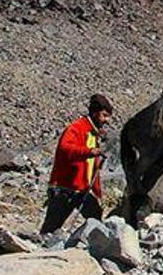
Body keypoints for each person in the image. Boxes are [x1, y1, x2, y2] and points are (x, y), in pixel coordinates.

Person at [40, 94, 113, 234]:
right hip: (65, 188)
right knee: (50, 228)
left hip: (82, 189)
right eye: (104, 115)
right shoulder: (77, 128)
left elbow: (92, 166)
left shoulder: (94, 133)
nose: (106, 120)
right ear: (94, 113)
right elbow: (64, 149)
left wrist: (97, 191)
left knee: (96, 218)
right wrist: (89, 152)